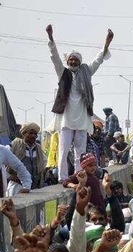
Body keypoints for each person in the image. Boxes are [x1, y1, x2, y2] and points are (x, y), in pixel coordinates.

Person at [46, 24, 113, 182]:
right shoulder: (63, 72)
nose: (74, 61)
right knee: (63, 151)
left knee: (80, 151)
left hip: (82, 117)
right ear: (68, 61)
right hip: (66, 118)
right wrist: (50, 38)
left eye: (76, 59)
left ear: (80, 61)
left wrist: (106, 43)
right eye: (71, 59)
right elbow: (55, 58)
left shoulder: (86, 71)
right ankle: (62, 178)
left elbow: (98, 60)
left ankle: (78, 176)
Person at [10, 123, 46, 189]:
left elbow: (43, 164)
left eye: (35, 134)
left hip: (35, 186)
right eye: (30, 133)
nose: (33, 136)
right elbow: (6, 162)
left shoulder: (38, 148)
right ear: (23, 133)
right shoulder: (16, 144)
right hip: (18, 185)